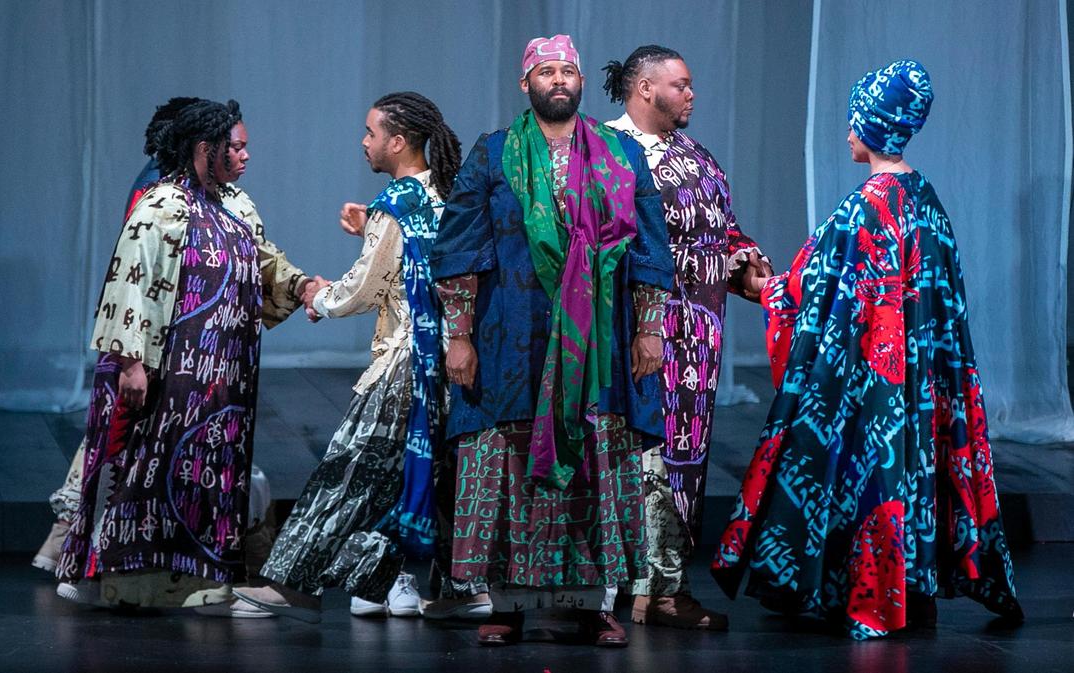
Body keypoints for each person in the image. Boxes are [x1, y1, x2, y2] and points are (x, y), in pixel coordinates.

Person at [710, 60, 1024, 639]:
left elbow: (816, 290)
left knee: (867, 474)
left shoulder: (868, 205)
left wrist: (756, 285)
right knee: (915, 475)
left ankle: (874, 597)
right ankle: (915, 595)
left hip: (873, 383)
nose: (847, 131)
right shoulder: (925, 199)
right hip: (924, 382)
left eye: (854, 120)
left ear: (875, 125)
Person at [430, 35, 674, 647]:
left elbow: (648, 245)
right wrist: (458, 336)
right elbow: (458, 249)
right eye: (547, 71)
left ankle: (594, 606)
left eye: (569, 70)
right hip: (512, 338)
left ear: (582, 80)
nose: (559, 80)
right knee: (507, 464)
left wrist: (649, 327)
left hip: (600, 344)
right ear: (526, 84)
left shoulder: (619, 154)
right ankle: (507, 607)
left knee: (596, 461)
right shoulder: (491, 155)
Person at [234, 92, 486, 623]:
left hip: (407, 364)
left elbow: (366, 286)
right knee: (440, 474)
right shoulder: (450, 193)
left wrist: (319, 298)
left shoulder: (397, 202)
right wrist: (372, 223)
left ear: (398, 142)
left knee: (350, 468)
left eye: (371, 133)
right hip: (453, 360)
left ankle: (295, 583)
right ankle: (466, 588)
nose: (364, 142)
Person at [55, 99, 317, 610]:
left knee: (213, 478)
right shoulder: (161, 207)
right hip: (170, 377)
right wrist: (132, 362)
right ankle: (130, 582)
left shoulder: (238, 205)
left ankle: (209, 580)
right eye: (235, 147)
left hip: (225, 383)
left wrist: (305, 287)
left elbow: (266, 264)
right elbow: (130, 287)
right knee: (147, 472)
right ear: (205, 149)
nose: (245, 156)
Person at [603, 45, 771, 632]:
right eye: (681, 85)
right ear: (644, 89)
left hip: (697, 338)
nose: (691, 94)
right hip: (631, 332)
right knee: (629, 455)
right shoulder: (603, 151)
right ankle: (617, 587)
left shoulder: (695, 155)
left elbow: (720, 229)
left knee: (683, 458)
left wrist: (745, 264)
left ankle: (664, 588)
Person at [33, 97, 202, 576]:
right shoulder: (159, 189)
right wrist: (133, 352)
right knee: (117, 433)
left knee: (122, 433)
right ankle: (73, 540)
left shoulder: (168, 184)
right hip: (146, 333)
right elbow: (139, 271)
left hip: (149, 330)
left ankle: (73, 542)